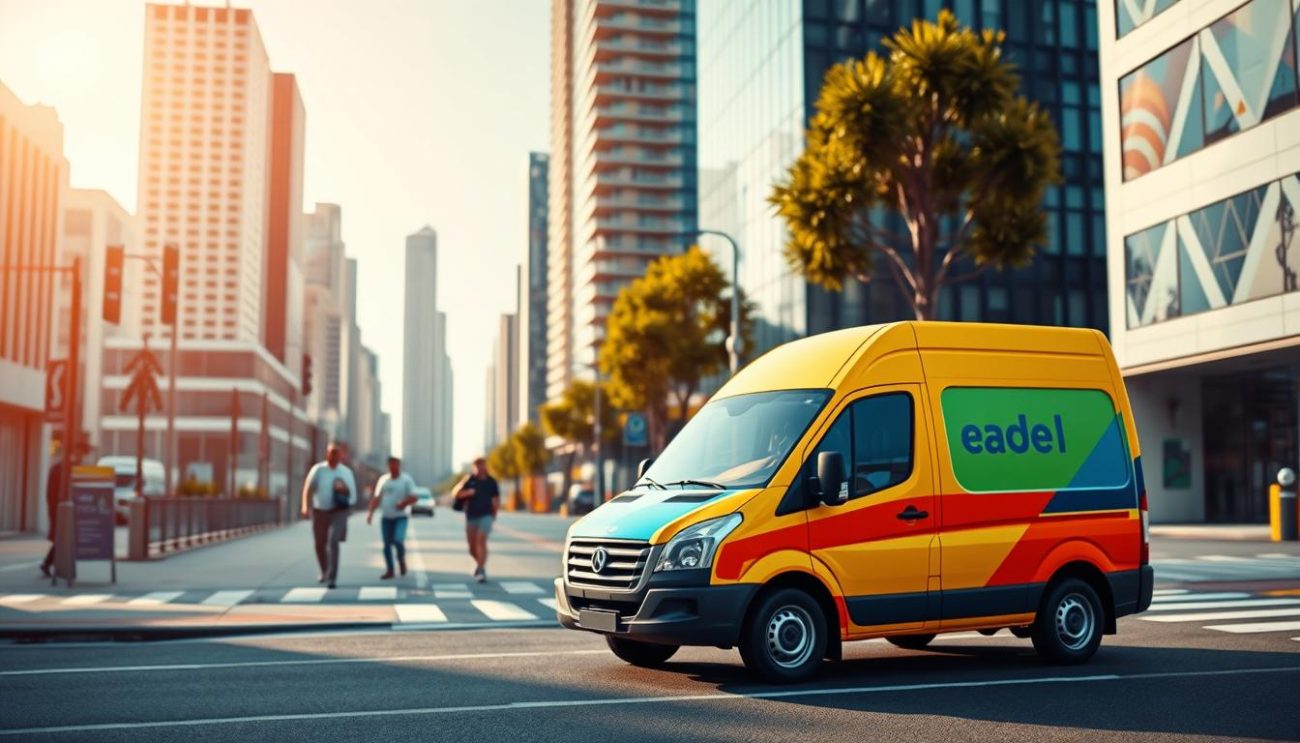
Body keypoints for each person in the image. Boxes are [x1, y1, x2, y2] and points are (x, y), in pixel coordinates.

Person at [300, 443, 356, 589]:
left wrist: (343, 490)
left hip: (339, 511)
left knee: (333, 541)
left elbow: (353, 495)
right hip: (320, 511)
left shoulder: (346, 472)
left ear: (340, 455)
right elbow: (308, 488)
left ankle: (332, 578)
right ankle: (324, 571)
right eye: (331, 453)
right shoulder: (318, 469)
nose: (334, 456)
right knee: (319, 543)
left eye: (337, 453)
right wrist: (305, 506)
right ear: (327, 454)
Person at [367, 456, 418, 580]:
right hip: (386, 517)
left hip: (401, 517)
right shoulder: (383, 480)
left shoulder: (406, 480)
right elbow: (377, 497)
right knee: (387, 544)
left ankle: (401, 559)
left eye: (395, 464)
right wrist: (370, 513)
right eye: (390, 464)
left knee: (398, 540)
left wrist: (404, 503)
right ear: (388, 465)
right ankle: (390, 569)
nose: (393, 467)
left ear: (399, 465)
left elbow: (414, 497)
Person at [452, 457, 499, 583]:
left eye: (482, 465)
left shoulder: (491, 482)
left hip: (486, 515)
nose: (480, 467)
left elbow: (495, 500)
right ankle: (480, 564)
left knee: (481, 541)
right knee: (472, 547)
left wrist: (494, 515)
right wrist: (468, 492)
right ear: (474, 467)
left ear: (485, 466)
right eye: (477, 465)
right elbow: (455, 493)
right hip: (471, 516)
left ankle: (481, 569)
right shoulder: (469, 480)